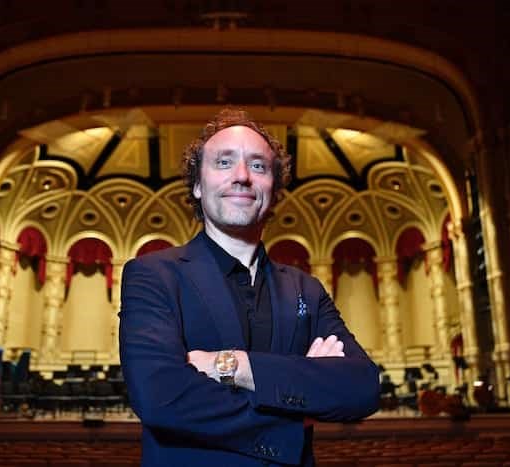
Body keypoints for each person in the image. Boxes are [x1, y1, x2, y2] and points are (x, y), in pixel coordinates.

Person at [120, 108, 379, 466]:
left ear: (274, 189)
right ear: (197, 185)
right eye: (224, 163)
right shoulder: (152, 274)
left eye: (258, 166)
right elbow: (160, 398)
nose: (242, 176)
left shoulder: (307, 289)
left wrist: (231, 365)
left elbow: (362, 387)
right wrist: (294, 409)